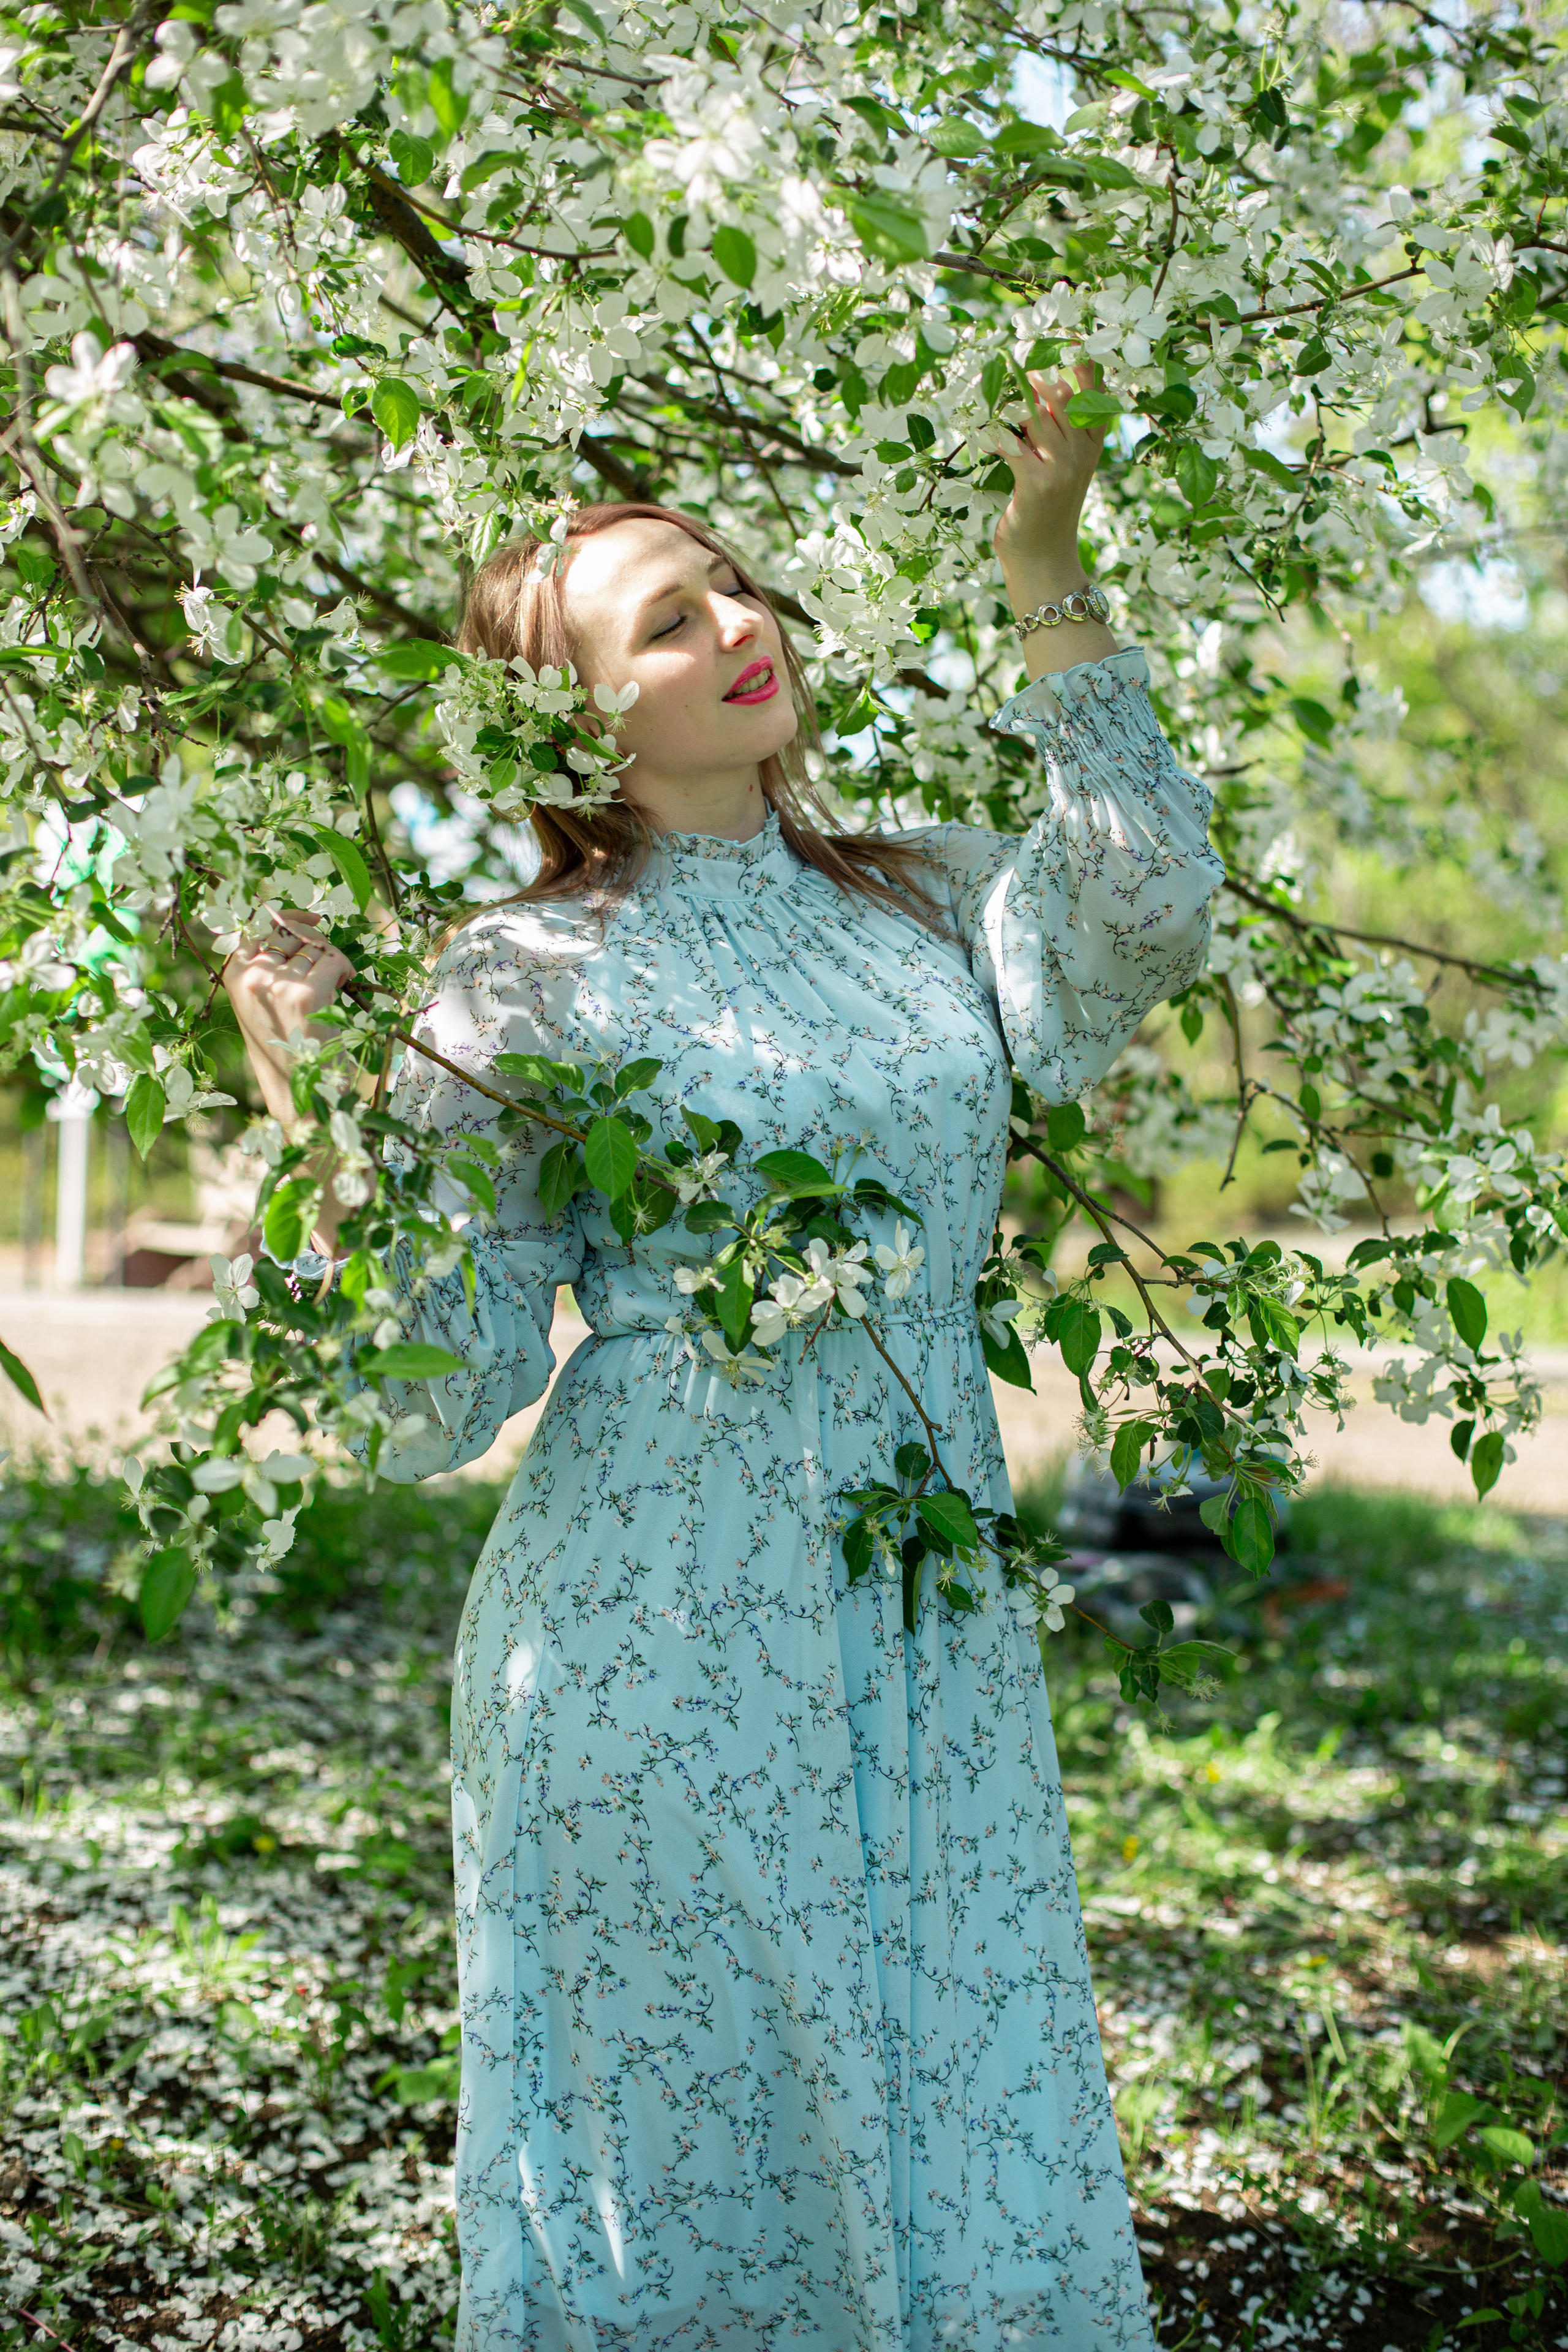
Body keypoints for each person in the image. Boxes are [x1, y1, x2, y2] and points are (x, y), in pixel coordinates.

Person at [225, 367, 1224, 2350]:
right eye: (668, 624)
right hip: (647, 1629)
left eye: (734, 586)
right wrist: (316, 1123)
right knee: (690, 2133)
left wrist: (1044, 565)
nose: (740, 627)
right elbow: (427, 1397)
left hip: (921, 1600)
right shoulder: (520, 972)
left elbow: (1143, 901)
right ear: (574, 721)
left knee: (950, 2070)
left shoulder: (930, 898)